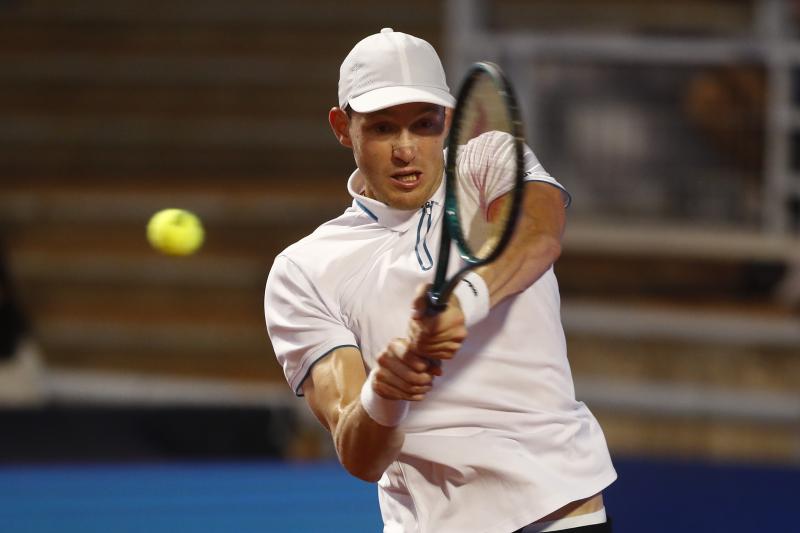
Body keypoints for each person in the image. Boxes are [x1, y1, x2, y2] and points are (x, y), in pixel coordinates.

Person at [264, 28, 616, 533]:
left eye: (424, 125)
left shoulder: (489, 163)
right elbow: (359, 455)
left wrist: (466, 300)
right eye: (383, 128)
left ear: (448, 122)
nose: (406, 150)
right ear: (343, 127)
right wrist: (386, 391)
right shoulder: (303, 270)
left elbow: (538, 238)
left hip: (559, 510)